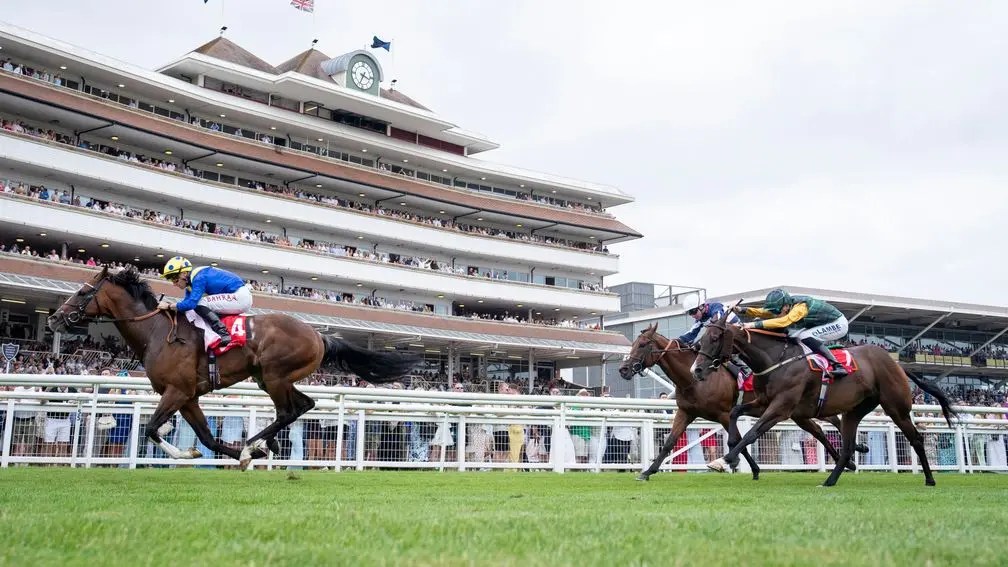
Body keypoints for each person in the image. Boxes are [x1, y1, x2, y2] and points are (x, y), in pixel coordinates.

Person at [734, 288, 849, 378]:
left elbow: (784, 322)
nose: (776, 314)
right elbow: (764, 312)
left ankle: (838, 366)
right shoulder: (785, 305)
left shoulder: (800, 308)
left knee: (805, 336)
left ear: (786, 306)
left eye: (777, 311)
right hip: (820, 324)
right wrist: (742, 310)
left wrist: (751, 325)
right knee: (795, 336)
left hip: (838, 323)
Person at [158, 256, 252, 346]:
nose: (174, 284)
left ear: (184, 274)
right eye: (171, 280)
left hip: (240, 296)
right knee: (199, 306)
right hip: (237, 296)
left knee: (199, 304)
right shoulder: (191, 285)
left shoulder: (199, 277)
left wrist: (169, 306)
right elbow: (185, 305)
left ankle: (223, 333)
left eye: (174, 279)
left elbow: (190, 304)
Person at [680, 302, 752, 381]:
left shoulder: (716, 307)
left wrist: (699, 343)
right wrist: (677, 341)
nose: (693, 316)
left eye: (693, 311)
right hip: (722, 338)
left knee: (716, 351)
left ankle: (747, 371)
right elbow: (691, 333)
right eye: (690, 313)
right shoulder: (700, 319)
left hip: (737, 335)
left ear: (701, 306)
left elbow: (716, 325)